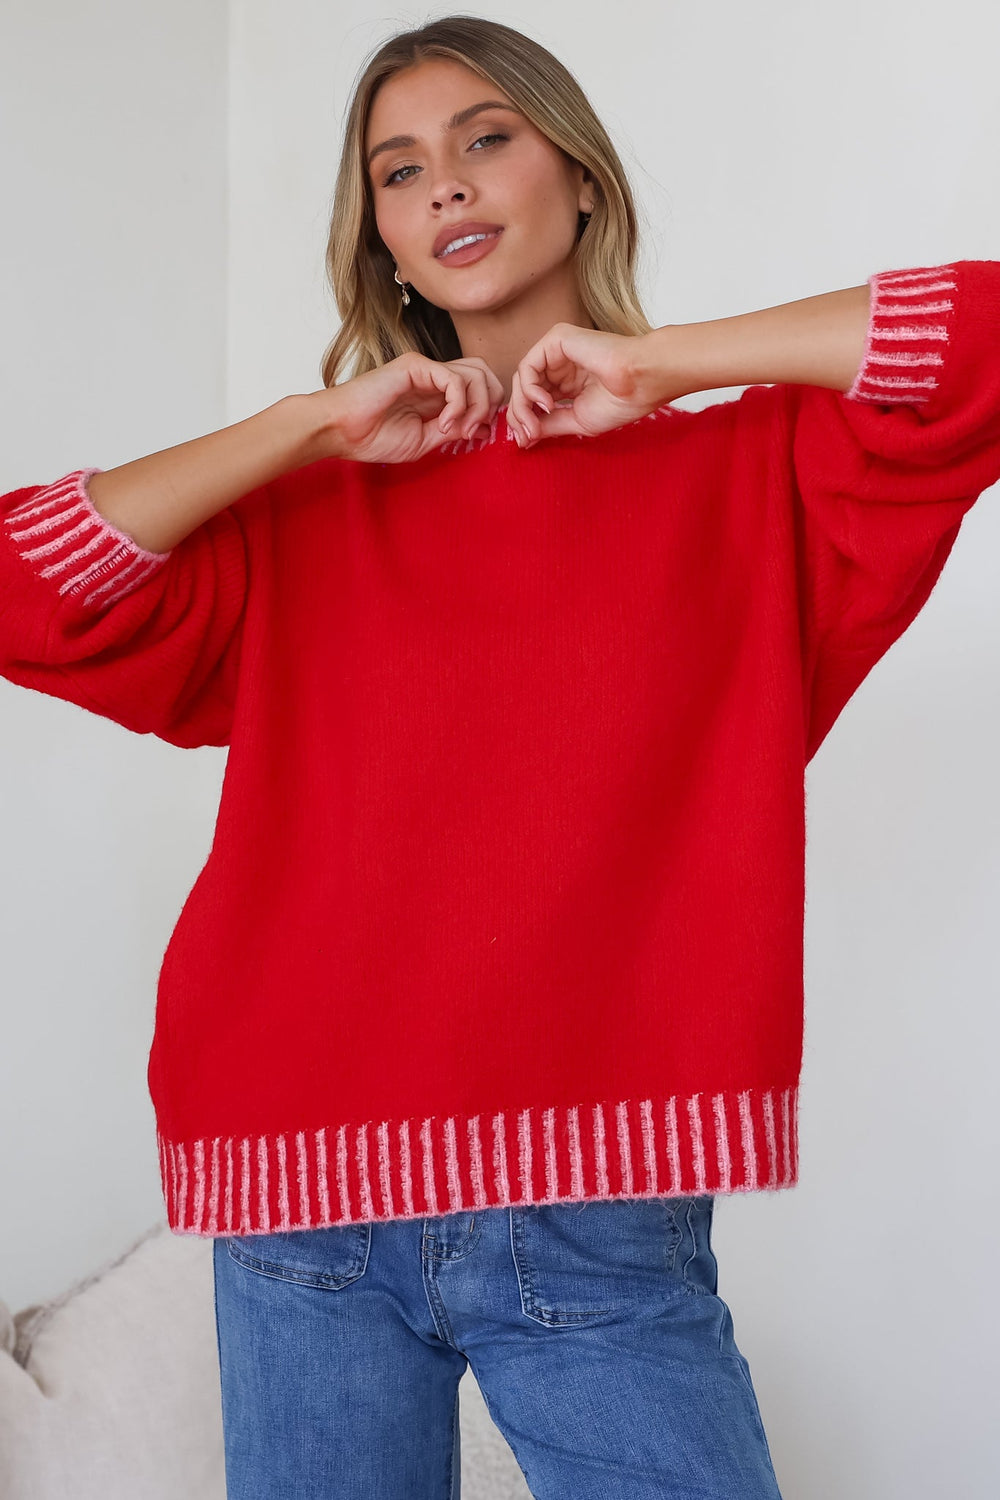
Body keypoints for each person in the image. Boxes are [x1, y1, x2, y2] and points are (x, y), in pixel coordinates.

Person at [2, 13, 998, 1499]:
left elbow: (977, 343)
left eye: (486, 140)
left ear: (581, 176)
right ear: (386, 245)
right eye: (400, 172)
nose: (448, 187)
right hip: (300, 1186)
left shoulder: (758, 471)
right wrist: (303, 425)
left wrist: (658, 364)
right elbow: (28, 586)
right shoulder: (309, 509)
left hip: (598, 1193)